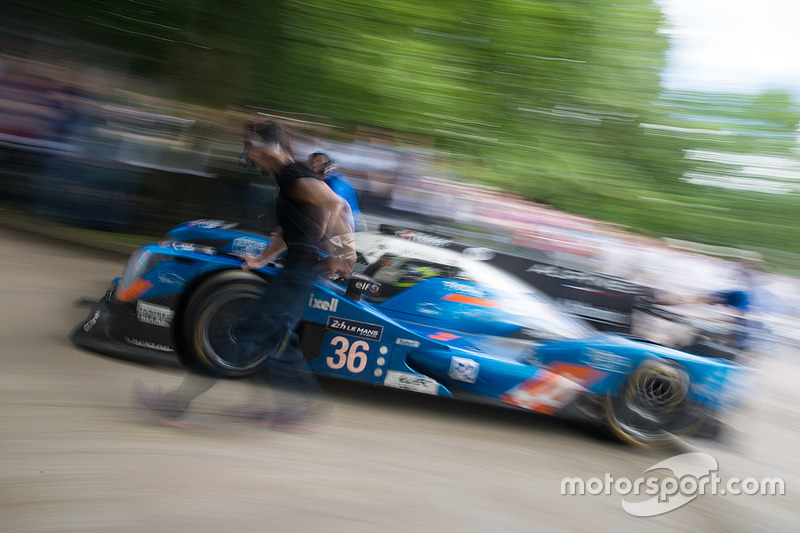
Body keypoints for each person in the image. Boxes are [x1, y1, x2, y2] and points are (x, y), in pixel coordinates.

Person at [135, 118, 356, 426]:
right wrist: (261, 260)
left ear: (271, 147)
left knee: (243, 333)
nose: (248, 155)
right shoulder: (287, 179)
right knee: (276, 340)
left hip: (300, 272)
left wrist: (343, 253)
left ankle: (176, 404)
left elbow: (335, 204)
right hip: (297, 270)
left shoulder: (294, 175)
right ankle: (298, 407)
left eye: (250, 147)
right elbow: (285, 231)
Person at [308, 151, 365, 231]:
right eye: (311, 162)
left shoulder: (334, 183)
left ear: (325, 165)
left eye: (317, 162)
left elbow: (336, 206)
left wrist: (325, 234)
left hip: (348, 222)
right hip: (343, 218)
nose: (312, 165)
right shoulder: (328, 179)